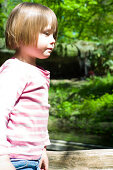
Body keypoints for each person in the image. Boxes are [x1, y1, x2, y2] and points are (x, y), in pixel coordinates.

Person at [0, 2, 58, 170]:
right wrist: (2, 158)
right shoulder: (14, 70)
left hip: (31, 158)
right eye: (46, 34)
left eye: (54, 34)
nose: (53, 40)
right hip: (15, 159)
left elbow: (37, 118)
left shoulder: (33, 71)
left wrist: (42, 150)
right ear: (21, 35)